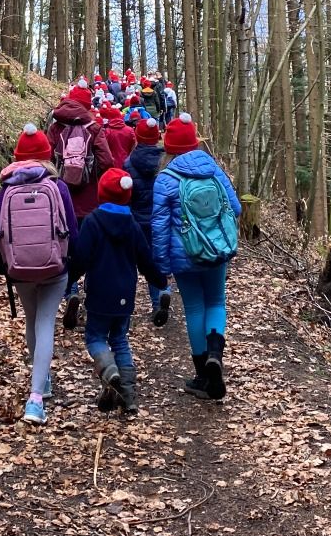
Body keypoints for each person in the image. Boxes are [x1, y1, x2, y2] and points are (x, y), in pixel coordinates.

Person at [0, 124, 79, 426]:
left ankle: (43, 382)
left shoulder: (7, 189)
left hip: (19, 269)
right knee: (45, 323)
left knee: (32, 319)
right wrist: (72, 268)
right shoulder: (58, 186)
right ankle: (36, 397)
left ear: (17, 157)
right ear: (47, 156)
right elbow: (72, 232)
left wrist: (4, 268)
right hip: (55, 268)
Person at [151, 113, 241, 400]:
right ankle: (216, 353)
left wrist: (161, 266)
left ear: (169, 148)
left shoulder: (165, 179)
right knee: (216, 301)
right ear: (195, 142)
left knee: (193, 308)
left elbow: (159, 228)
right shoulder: (213, 169)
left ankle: (203, 375)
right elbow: (236, 208)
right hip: (217, 250)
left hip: (184, 256)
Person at [68, 167, 166, 416]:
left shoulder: (93, 222)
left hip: (99, 294)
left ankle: (110, 371)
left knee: (95, 337)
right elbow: (145, 260)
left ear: (101, 193)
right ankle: (128, 395)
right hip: (125, 295)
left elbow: (81, 258)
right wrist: (160, 281)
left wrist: (68, 281)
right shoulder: (132, 225)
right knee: (120, 340)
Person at [47, 81, 114, 328]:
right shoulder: (94, 128)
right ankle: (92, 292)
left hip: (62, 199)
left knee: (67, 247)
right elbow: (107, 161)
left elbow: (45, 158)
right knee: (92, 248)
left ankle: (71, 290)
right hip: (90, 201)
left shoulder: (56, 127)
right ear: (86, 105)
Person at [126, 116, 171, 325]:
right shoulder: (166, 162)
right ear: (157, 138)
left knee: (136, 262)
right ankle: (162, 294)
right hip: (162, 219)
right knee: (158, 259)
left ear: (137, 137)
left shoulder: (128, 163)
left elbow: (126, 195)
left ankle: (127, 303)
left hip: (137, 221)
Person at [101, 102, 137, 166]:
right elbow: (134, 147)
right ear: (120, 116)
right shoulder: (130, 130)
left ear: (109, 118)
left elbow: (104, 150)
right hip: (127, 163)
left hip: (112, 164)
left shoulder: (107, 132)